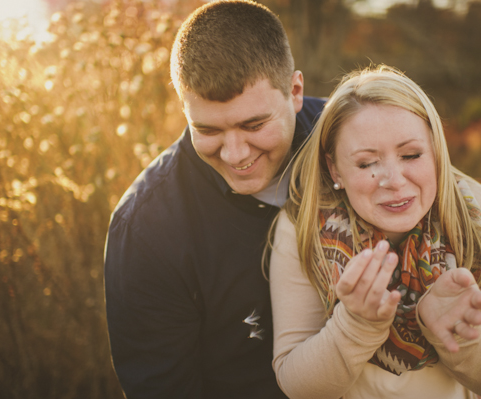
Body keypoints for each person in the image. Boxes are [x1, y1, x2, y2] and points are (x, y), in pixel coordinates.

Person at [103, 1, 325, 398]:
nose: (235, 154)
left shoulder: (356, 140)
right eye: (207, 130)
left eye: (254, 124)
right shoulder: (146, 230)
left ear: (294, 91)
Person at [269, 65, 481, 399]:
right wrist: (355, 325)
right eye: (366, 163)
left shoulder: (475, 211)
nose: (394, 179)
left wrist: (457, 333)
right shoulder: (302, 227)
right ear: (335, 169)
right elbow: (297, 385)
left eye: (411, 155)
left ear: (435, 151)